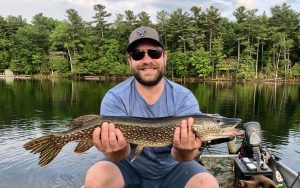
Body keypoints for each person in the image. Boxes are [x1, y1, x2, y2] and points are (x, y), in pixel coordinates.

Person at [84, 26, 219, 188]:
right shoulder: (115, 97)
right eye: (138, 54)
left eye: (154, 53)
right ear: (130, 60)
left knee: (207, 184)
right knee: (97, 177)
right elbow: (118, 154)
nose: (147, 60)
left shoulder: (184, 97)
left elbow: (182, 156)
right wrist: (113, 149)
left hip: (175, 168)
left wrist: (186, 150)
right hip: (128, 167)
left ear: (165, 57)